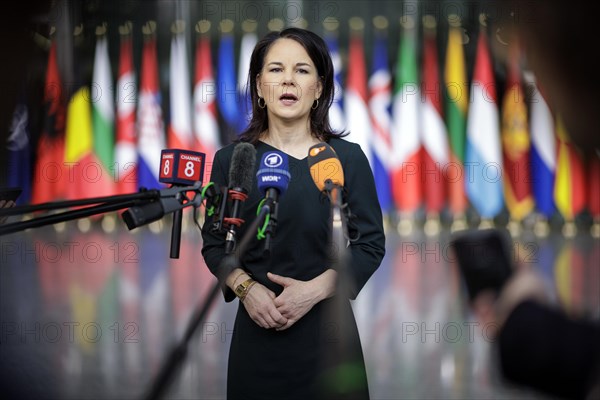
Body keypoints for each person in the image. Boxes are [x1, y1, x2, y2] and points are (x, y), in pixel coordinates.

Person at [200, 27, 385, 400]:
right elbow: (215, 245)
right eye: (275, 70)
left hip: (330, 338)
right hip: (257, 333)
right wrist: (246, 289)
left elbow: (370, 244)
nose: (287, 79)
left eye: (301, 70)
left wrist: (313, 291)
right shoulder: (231, 160)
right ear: (258, 87)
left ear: (319, 88)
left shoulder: (345, 158)